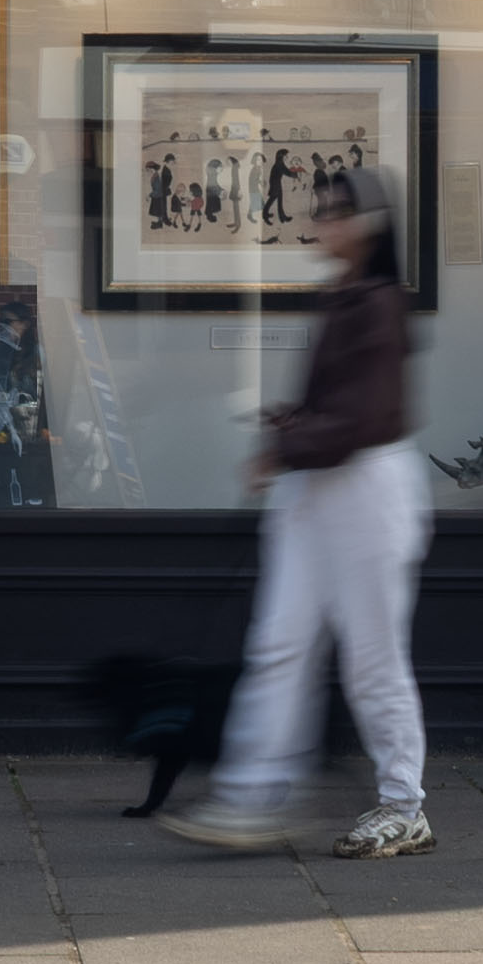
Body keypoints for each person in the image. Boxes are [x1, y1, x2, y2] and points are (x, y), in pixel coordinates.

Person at [166, 174, 430, 861]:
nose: (324, 224)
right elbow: (345, 408)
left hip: (365, 491)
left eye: (338, 213)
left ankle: (402, 805)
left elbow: (367, 416)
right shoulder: (348, 298)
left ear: (370, 224)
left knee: (371, 659)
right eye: (321, 213)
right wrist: (292, 428)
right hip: (319, 489)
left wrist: (284, 445)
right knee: (280, 644)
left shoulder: (376, 305)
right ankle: (252, 795)